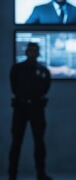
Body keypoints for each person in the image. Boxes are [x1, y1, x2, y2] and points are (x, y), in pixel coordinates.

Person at [8, 42, 52, 180]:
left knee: (39, 142)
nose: (32, 53)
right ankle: (12, 175)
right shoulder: (17, 69)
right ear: (26, 52)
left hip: (37, 108)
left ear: (38, 53)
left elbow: (46, 87)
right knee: (16, 142)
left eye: (35, 51)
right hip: (20, 108)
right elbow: (14, 87)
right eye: (30, 50)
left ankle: (41, 174)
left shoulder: (43, 70)